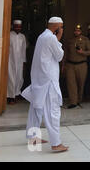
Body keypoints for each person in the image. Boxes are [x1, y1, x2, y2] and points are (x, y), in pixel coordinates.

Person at [21, 17, 69, 153]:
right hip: (48, 81)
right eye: (61, 27)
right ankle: (56, 143)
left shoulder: (42, 36)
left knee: (36, 109)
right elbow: (59, 56)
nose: (62, 30)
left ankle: (33, 137)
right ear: (56, 27)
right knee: (52, 112)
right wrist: (59, 37)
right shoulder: (51, 38)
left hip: (39, 79)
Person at [63, 25, 90, 109]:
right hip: (70, 65)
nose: (77, 32)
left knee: (80, 84)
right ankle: (73, 102)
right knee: (71, 84)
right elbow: (65, 53)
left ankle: (79, 100)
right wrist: (63, 65)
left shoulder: (85, 40)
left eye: (78, 31)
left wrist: (82, 52)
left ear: (81, 31)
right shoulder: (70, 40)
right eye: (75, 30)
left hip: (82, 65)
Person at [7, 20, 27, 105]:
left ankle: (16, 94)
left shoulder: (22, 37)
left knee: (19, 78)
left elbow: (23, 50)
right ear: (13, 26)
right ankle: (10, 97)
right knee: (11, 78)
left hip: (19, 61)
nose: (18, 28)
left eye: (19, 26)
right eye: (16, 26)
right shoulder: (9, 35)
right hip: (10, 61)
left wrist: (24, 61)